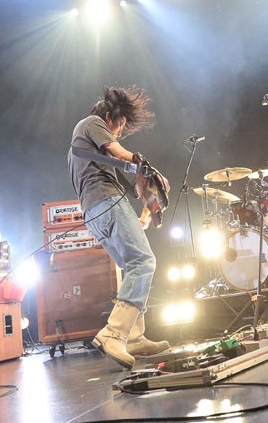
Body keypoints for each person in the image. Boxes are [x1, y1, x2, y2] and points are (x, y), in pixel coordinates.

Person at [68, 86, 171, 368]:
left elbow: (132, 179)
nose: (119, 132)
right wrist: (145, 165)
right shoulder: (92, 123)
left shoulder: (84, 149)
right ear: (109, 116)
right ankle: (114, 333)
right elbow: (117, 150)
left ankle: (134, 337)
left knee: (131, 266)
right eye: (120, 125)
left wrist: (147, 211)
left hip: (94, 212)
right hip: (107, 202)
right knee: (143, 262)